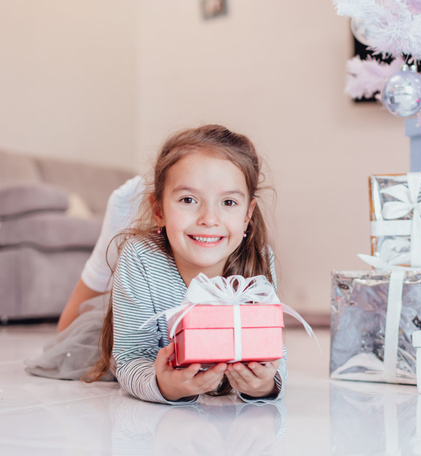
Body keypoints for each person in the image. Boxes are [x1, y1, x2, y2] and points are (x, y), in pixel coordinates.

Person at [27, 125, 285, 405]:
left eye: (228, 202)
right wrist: (164, 387)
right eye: (188, 200)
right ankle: (104, 254)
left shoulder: (259, 258)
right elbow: (129, 359)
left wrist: (264, 386)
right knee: (69, 338)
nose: (209, 219)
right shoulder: (140, 257)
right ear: (159, 210)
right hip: (122, 328)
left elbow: (274, 355)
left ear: (248, 214)